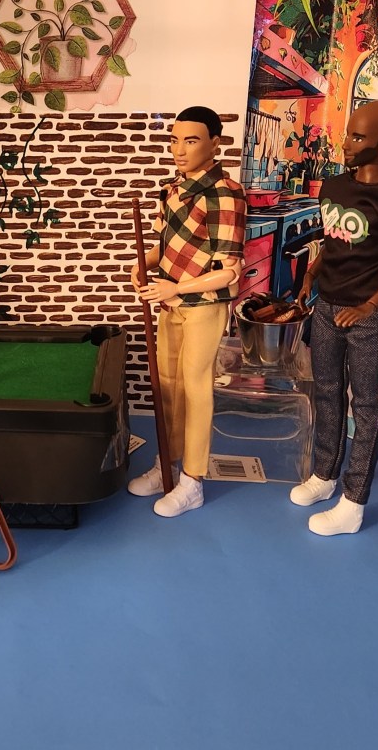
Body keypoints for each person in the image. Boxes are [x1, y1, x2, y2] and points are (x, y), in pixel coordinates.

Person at [290, 101, 378, 536]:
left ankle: (354, 500)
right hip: (326, 307)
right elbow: (334, 241)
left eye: (358, 137)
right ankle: (325, 475)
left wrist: (369, 307)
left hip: (367, 317)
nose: (347, 144)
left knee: (367, 406)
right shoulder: (335, 186)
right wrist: (311, 274)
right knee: (326, 393)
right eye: (348, 134)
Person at [128, 106, 246, 517]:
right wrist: (143, 262)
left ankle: (193, 480)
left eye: (191, 140)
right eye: (174, 140)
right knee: (168, 386)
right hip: (170, 303)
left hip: (204, 306)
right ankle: (167, 464)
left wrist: (176, 287)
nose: (179, 150)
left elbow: (230, 271)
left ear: (215, 143)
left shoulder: (225, 193)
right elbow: (164, 244)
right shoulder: (172, 190)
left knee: (195, 390)